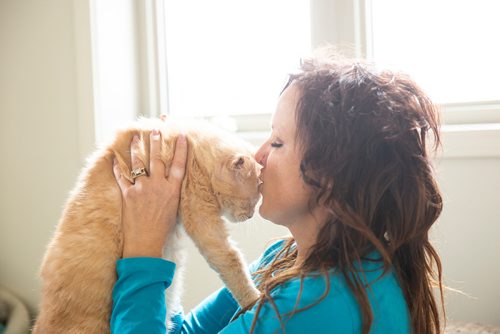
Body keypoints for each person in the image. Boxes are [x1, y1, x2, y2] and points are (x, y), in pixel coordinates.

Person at [111, 50, 445, 334]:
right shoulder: (285, 258)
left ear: (329, 173)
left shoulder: (305, 306)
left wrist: (143, 248)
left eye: (278, 142)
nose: (258, 157)